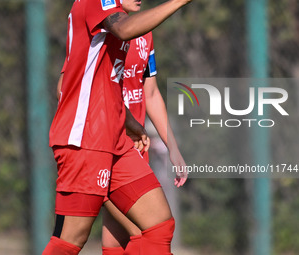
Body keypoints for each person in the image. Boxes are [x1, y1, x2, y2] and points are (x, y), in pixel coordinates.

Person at [43, 0, 191, 254]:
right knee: (69, 242)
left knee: (159, 226)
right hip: (85, 139)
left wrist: (127, 120)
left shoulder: (128, 26)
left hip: (115, 141)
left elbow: (110, 83)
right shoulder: (97, 3)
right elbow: (123, 30)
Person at [101, 1, 187, 254]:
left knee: (117, 241)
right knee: (148, 231)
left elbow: (149, 93)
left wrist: (173, 147)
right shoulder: (101, 29)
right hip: (107, 148)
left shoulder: (144, 33)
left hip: (136, 149)